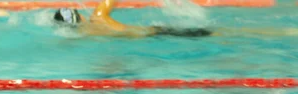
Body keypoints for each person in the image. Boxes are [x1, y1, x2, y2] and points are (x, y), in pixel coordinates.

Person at [53, 0, 298, 38]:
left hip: (157, 36)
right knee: (220, 32)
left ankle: (284, 32)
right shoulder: (97, 18)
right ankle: (283, 32)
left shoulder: (84, 33)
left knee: (220, 33)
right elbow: (107, 2)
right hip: (157, 31)